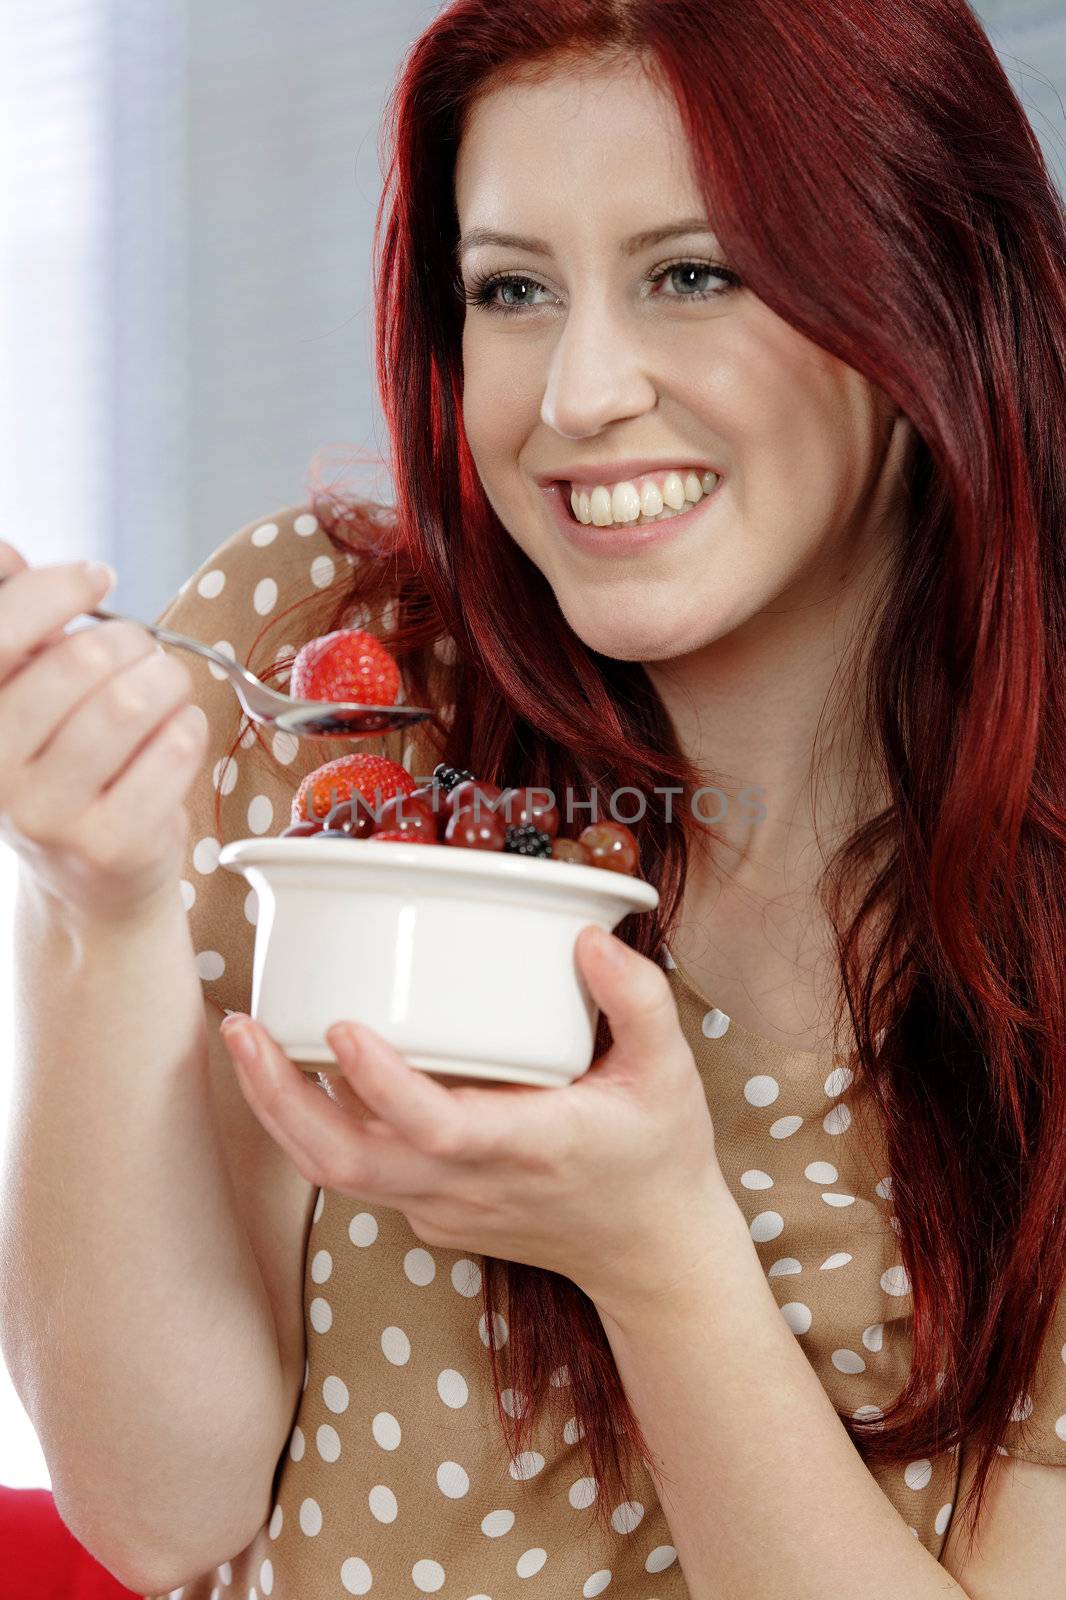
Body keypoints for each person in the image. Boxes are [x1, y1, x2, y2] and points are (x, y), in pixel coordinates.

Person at [2, 1, 1064, 1596]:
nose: (574, 397)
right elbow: (160, 1508)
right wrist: (106, 905)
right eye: (509, 290)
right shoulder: (342, 671)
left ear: (934, 285)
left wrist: (654, 1257)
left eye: (690, 275)